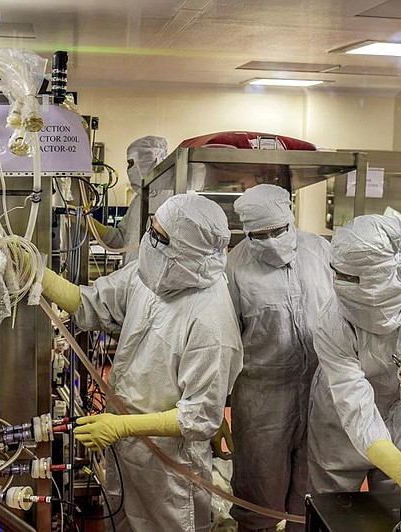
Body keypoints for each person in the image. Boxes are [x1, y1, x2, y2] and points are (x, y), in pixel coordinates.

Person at [41, 193, 244, 531]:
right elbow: (92, 303)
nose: (150, 240)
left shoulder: (210, 321)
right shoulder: (155, 270)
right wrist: (39, 275)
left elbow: (198, 417)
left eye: (159, 236)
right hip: (126, 446)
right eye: (152, 228)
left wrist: (122, 426)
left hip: (169, 462)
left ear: (187, 250)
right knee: (123, 522)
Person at [307, 214, 401, 501]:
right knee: (333, 506)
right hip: (341, 421)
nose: (341, 284)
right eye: (338, 274)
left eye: (352, 278)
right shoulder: (331, 321)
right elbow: (355, 404)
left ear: (389, 271)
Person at [226, 184, 332, 532]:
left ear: (291, 217)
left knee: (312, 493)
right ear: (247, 232)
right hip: (262, 396)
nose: (271, 241)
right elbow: (226, 336)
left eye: (279, 230)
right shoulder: (234, 266)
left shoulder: (320, 250)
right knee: (259, 495)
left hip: (320, 386)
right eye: (261, 235)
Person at [91, 135, 167, 265]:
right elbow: (121, 239)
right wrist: (88, 224)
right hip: (133, 277)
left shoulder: (172, 199)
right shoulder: (138, 200)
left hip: (157, 282)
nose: (128, 170)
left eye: (131, 164)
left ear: (148, 162)